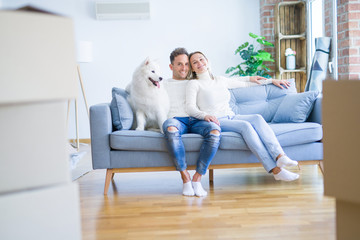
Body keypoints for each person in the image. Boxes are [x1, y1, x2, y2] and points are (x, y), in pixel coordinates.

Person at [186, 51, 299, 181]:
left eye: (201, 59)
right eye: (195, 62)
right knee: (246, 126)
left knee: (257, 118)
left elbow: (244, 83)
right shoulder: (193, 84)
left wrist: (271, 81)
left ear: (207, 60)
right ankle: (276, 170)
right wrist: (205, 115)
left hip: (231, 116)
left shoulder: (220, 80)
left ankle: (280, 156)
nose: (199, 63)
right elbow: (190, 108)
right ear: (192, 68)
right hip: (216, 120)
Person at [162, 48, 221, 197]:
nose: (184, 68)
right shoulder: (163, 84)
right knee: (170, 128)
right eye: (179, 64)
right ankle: (185, 178)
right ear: (171, 67)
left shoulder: (195, 83)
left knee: (214, 130)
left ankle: (197, 178)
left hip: (196, 120)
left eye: (187, 64)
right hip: (176, 120)